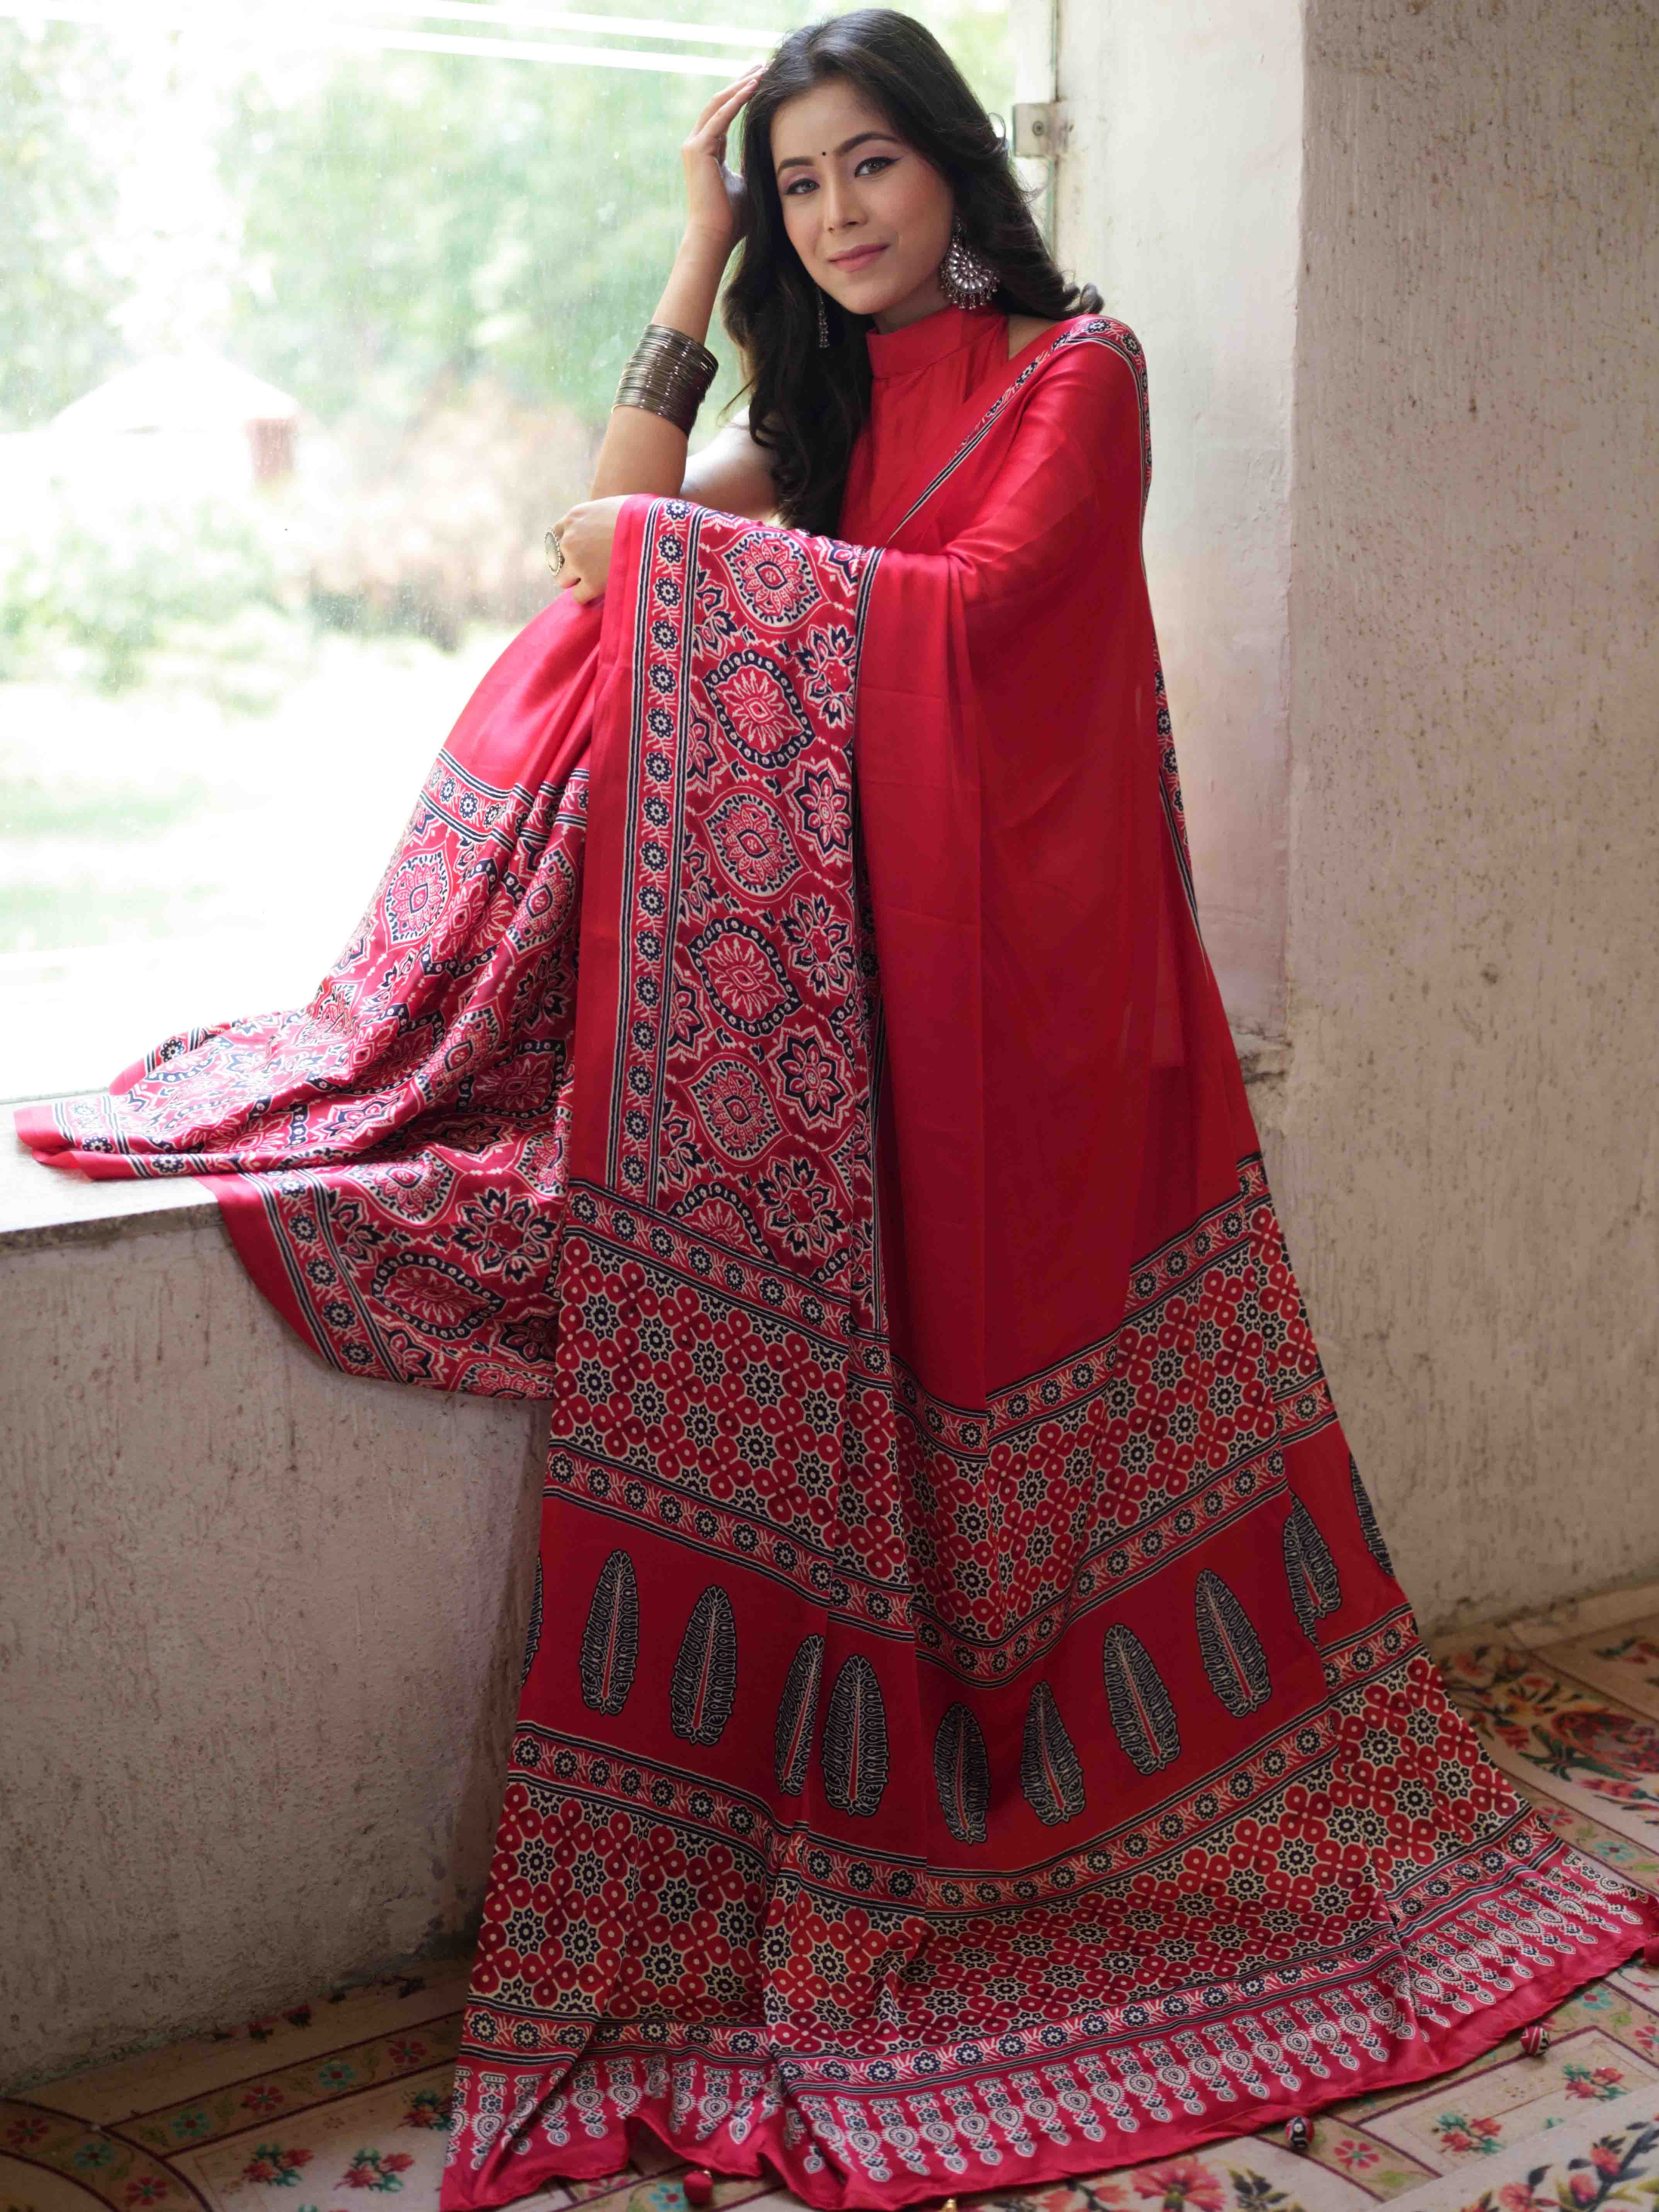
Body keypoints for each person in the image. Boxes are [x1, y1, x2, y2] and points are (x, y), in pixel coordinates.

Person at [19, 12, 1657, 2210]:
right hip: (852, 978)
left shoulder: (1087, 370)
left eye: (866, 165)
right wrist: (689, 271)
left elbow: (978, 626)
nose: (840, 215)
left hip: (1040, 982)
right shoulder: (815, 405)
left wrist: (695, 570)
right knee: (624, 623)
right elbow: (593, 552)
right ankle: (437, 1033)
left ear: (959, 170)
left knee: (681, 611)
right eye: (796, 184)